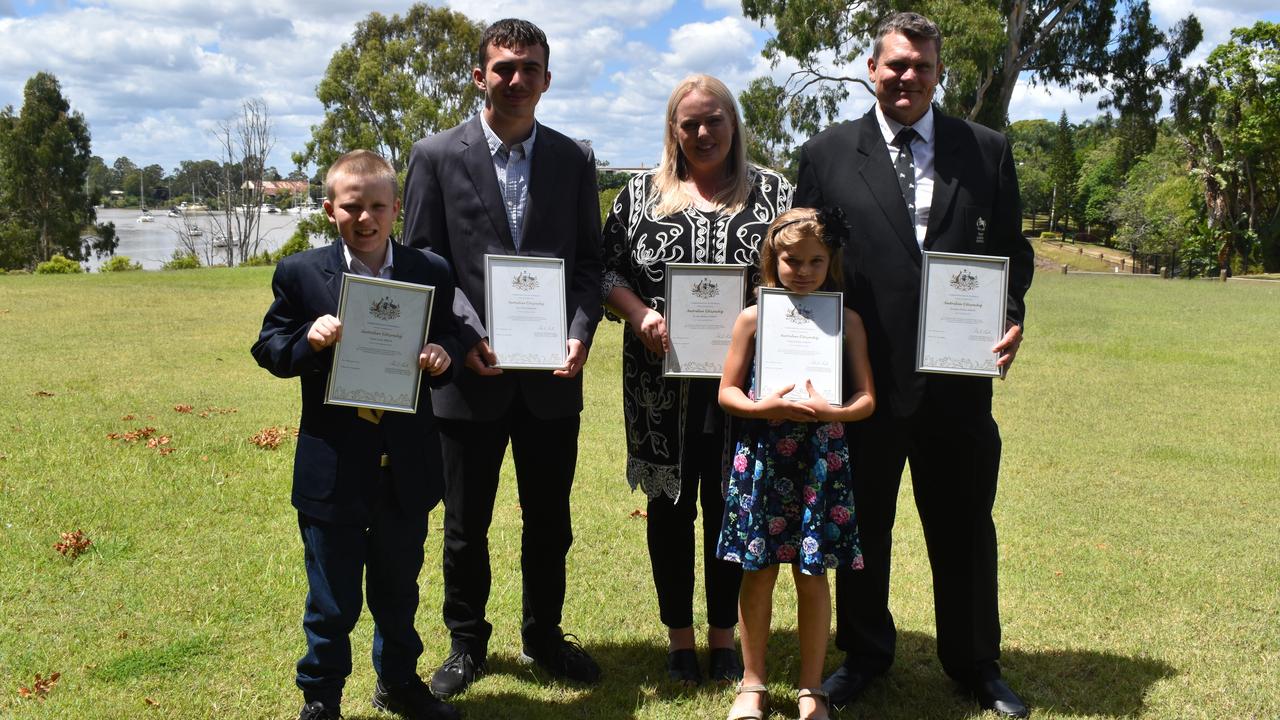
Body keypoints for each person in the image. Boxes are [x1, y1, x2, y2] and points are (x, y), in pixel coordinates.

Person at [792, 11, 1035, 719]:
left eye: (921, 67)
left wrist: (1012, 314)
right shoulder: (828, 152)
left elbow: (1012, 254)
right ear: (873, 69)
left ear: (938, 74)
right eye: (895, 65)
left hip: (958, 383)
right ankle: (865, 653)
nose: (907, 77)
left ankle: (975, 663)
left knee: (963, 523)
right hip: (862, 378)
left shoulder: (984, 150)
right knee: (862, 525)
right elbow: (804, 257)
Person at [400, 18, 604, 699]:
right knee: (465, 524)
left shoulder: (575, 160)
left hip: (550, 379)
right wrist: (463, 336)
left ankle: (544, 634)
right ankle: (466, 642)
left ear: (547, 77)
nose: (517, 79)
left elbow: (588, 266)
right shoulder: (433, 155)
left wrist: (579, 331)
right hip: (469, 376)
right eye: (504, 67)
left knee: (551, 520)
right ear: (479, 75)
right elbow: (423, 262)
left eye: (530, 68)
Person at [251, 149, 464, 720]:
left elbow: (455, 335)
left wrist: (445, 352)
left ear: (396, 208)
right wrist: (309, 341)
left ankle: (398, 684)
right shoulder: (300, 273)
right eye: (352, 207)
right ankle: (321, 696)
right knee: (332, 600)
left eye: (377, 206)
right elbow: (269, 349)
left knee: (398, 594)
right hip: (334, 469)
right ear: (329, 209)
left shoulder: (430, 271)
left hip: (405, 468)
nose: (365, 218)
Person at [601, 74, 793, 685]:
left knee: (732, 506)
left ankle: (723, 635)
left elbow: (804, 276)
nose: (703, 133)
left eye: (714, 120)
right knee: (670, 508)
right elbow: (604, 273)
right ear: (672, 130)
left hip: (747, 384)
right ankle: (679, 637)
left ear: (733, 123)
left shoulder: (773, 194)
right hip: (660, 387)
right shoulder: (638, 196)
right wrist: (639, 314)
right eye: (690, 124)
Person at [715, 207, 876, 720]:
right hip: (764, 458)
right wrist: (764, 407)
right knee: (757, 572)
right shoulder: (753, 317)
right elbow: (727, 393)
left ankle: (812, 689)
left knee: (813, 577)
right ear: (772, 257)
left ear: (832, 261)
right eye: (791, 260)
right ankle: (753, 685)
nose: (803, 270)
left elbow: (867, 398)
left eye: (815, 260)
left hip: (819, 463)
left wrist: (838, 411)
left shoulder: (846, 319)